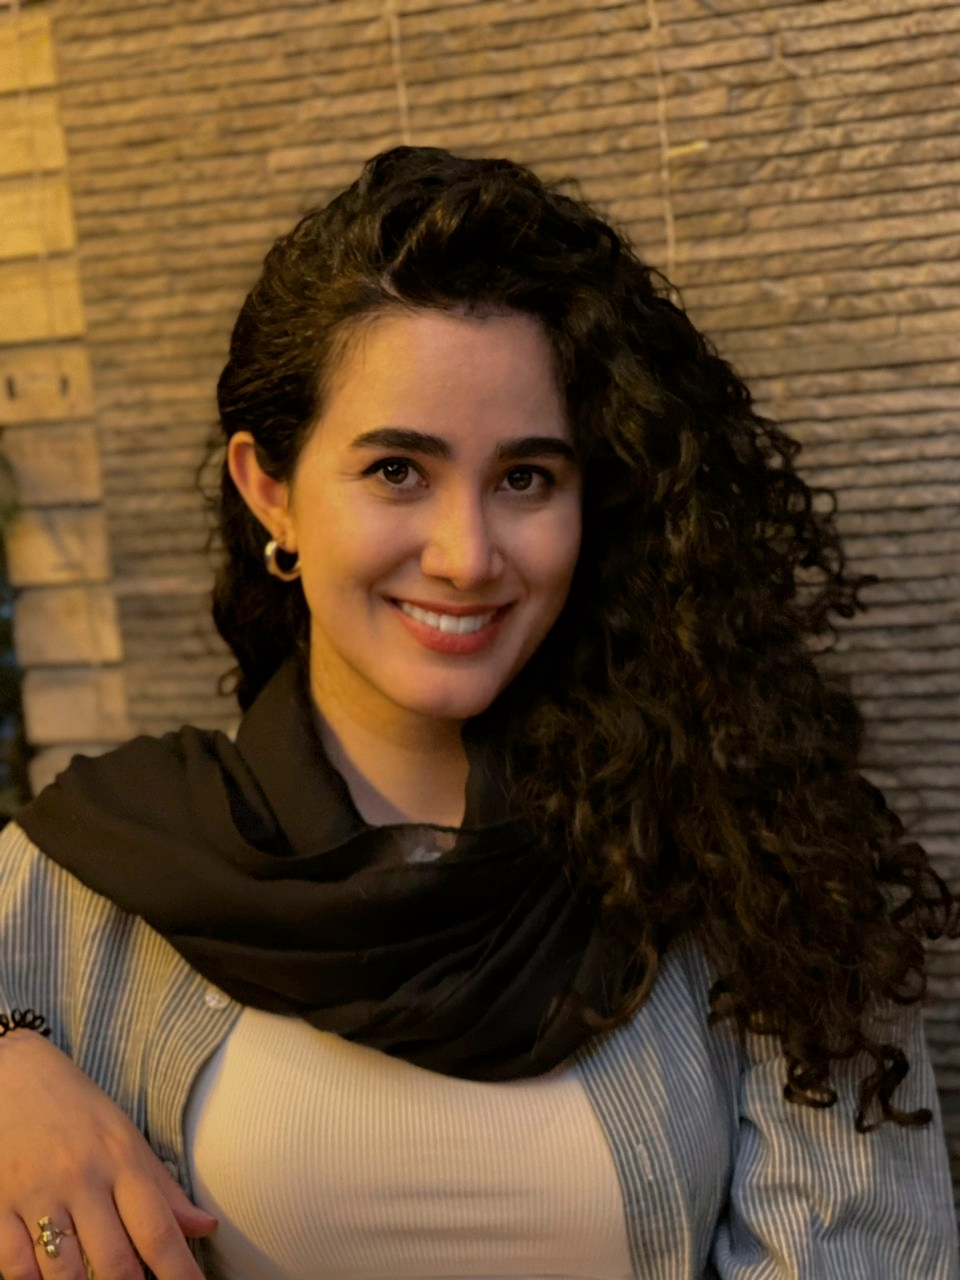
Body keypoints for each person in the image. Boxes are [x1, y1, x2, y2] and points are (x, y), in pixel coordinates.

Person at [0, 144, 956, 1280]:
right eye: (397, 471)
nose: (466, 555)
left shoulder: (755, 861)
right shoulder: (91, 873)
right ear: (271, 491)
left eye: (525, 478)